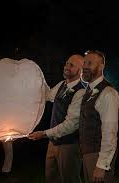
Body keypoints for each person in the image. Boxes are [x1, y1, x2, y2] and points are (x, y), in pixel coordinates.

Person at [29, 50, 119, 183]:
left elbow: (109, 132)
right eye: (85, 63)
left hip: (92, 151)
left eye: (90, 63)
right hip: (87, 151)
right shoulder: (89, 90)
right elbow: (46, 95)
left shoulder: (107, 93)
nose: (85, 67)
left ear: (101, 66)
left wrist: (102, 165)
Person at [29, 54, 85, 183]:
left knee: (69, 179)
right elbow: (47, 95)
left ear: (81, 70)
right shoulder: (62, 85)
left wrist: (44, 134)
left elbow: (71, 124)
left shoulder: (80, 92)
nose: (67, 67)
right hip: (53, 142)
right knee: (51, 178)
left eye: (72, 65)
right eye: (66, 63)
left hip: (70, 145)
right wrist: (36, 79)